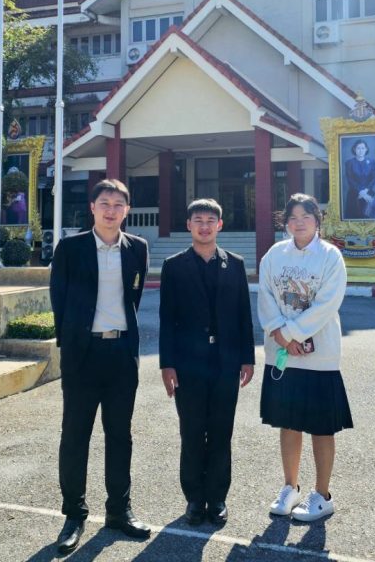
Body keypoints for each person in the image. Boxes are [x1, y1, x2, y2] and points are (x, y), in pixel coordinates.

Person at [49, 178, 151, 554]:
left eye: (118, 205)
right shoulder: (71, 248)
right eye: (104, 203)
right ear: (92, 208)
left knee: (120, 435)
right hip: (83, 355)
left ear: (127, 210)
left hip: (121, 354)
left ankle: (119, 511)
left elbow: (133, 297)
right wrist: (73, 343)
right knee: (75, 435)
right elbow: (59, 298)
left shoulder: (137, 248)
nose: (111, 210)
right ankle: (74, 515)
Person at [159, 199, 255, 527]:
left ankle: (217, 498)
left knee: (220, 432)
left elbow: (243, 314)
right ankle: (194, 499)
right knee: (191, 431)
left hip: (226, 362)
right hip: (188, 365)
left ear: (220, 225)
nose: (204, 226)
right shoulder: (174, 266)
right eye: (198, 220)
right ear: (188, 225)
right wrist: (167, 364)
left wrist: (247, 358)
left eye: (210, 220)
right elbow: (167, 319)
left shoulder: (235, 264)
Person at [258, 193, 353, 522]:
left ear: (317, 220)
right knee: (288, 423)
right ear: (285, 222)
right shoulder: (274, 254)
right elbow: (265, 296)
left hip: (319, 356)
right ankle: (290, 487)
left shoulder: (330, 256)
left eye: (306, 216)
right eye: (293, 217)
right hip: (282, 354)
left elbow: (328, 303)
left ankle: (322, 495)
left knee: (321, 426)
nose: (299, 223)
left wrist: (293, 333)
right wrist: (280, 334)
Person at [343, 139, 375, 219]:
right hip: (354, 195)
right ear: (354, 149)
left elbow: (374, 178)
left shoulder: (371, 161)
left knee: (369, 218)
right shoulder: (349, 162)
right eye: (358, 148)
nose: (360, 151)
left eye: (362, 148)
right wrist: (361, 192)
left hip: (368, 194)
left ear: (366, 149)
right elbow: (350, 180)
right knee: (354, 218)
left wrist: (366, 191)